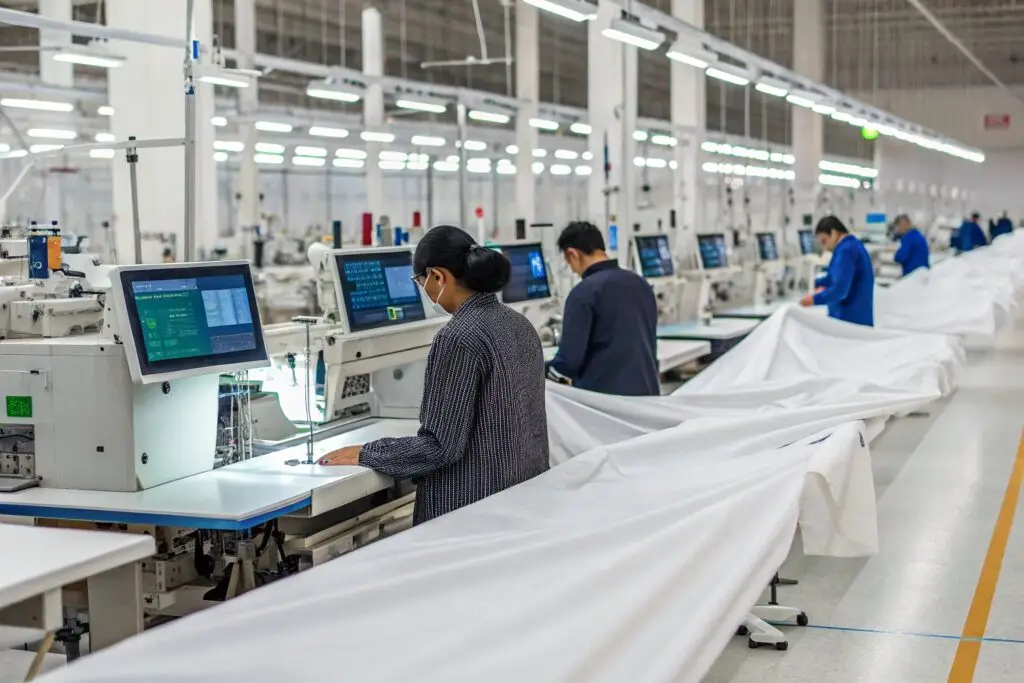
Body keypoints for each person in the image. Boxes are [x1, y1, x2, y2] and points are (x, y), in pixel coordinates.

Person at [317, 225, 550, 525]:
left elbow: (440, 447)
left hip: (470, 514)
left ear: (438, 276)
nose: (424, 290)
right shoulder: (519, 324)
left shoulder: (457, 337)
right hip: (521, 502)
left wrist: (368, 453)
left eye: (421, 281)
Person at [549, 221, 659, 396]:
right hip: (647, 397)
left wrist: (536, 370)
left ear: (572, 254)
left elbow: (568, 363)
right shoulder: (641, 284)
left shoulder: (583, 293)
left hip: (604, 405)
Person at [800, 215, 875, 327]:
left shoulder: (846, 250)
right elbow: (832, 278)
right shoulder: (848, 247)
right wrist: (810, 283)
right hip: (854, 318)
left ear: (834, 233)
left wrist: (813, 300)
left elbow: (840, 291)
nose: (824, 248)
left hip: (850, 322)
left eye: (824, 241)